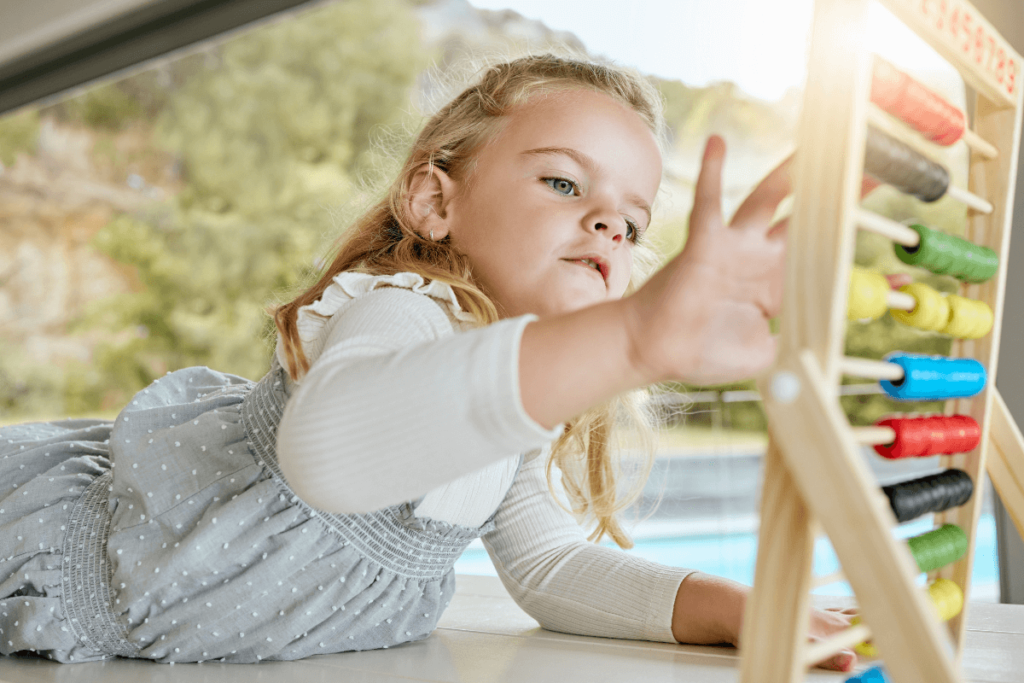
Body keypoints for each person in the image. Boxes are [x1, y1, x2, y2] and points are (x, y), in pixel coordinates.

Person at [0, 53, 857, 670]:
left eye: (630, 224)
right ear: (434, 201)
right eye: (564, 184)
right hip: (43, 543)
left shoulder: (510, 410)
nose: (606, 225)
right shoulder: (402, 312)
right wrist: (633, 337)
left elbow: (552, 567)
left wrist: (741, 609)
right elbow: (331, 453)